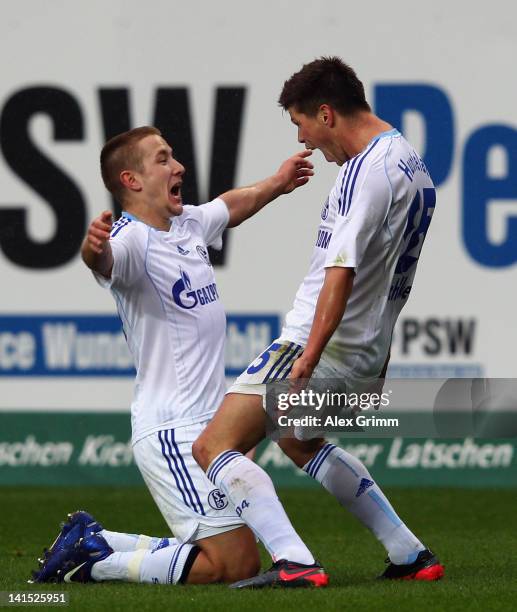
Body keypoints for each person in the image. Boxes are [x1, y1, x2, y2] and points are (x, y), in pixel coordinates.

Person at [192, 57, 445, 587]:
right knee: (297, 441)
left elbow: (343, 271)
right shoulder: (411, 165)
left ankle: (295, 563)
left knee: (212, 446)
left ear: (325, 113)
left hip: (317, 343)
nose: (304, 141)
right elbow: (392, 274)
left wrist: (306, 356)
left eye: (301, 124)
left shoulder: (365, 172)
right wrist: (379, 351)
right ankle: (410, 554)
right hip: (365, 348)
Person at [30, 125, 315, 586]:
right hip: (172, 432)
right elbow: (105, 262)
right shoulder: (131, 242)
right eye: (162, 159)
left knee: (239, 554)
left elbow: (230, 206)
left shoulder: (186, 223)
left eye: (173, 156)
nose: (178, 166)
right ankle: (97, 563)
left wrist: (277, 184)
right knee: (233, 566)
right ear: (132, 181)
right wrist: (92, 250)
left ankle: (94, 539)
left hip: (211, 425)